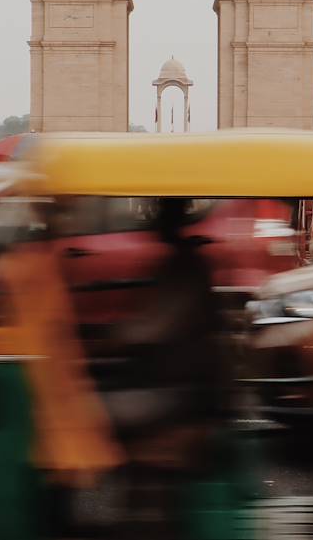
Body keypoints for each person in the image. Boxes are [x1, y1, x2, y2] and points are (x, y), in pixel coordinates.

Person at [105, 198, 228, 540]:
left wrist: (108, 336)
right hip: (174, 385)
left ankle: (136, 516)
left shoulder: (186, 267)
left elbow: (152, 327)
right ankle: (134, 510)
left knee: (96, 415)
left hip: (184, 395)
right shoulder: (178, 262)